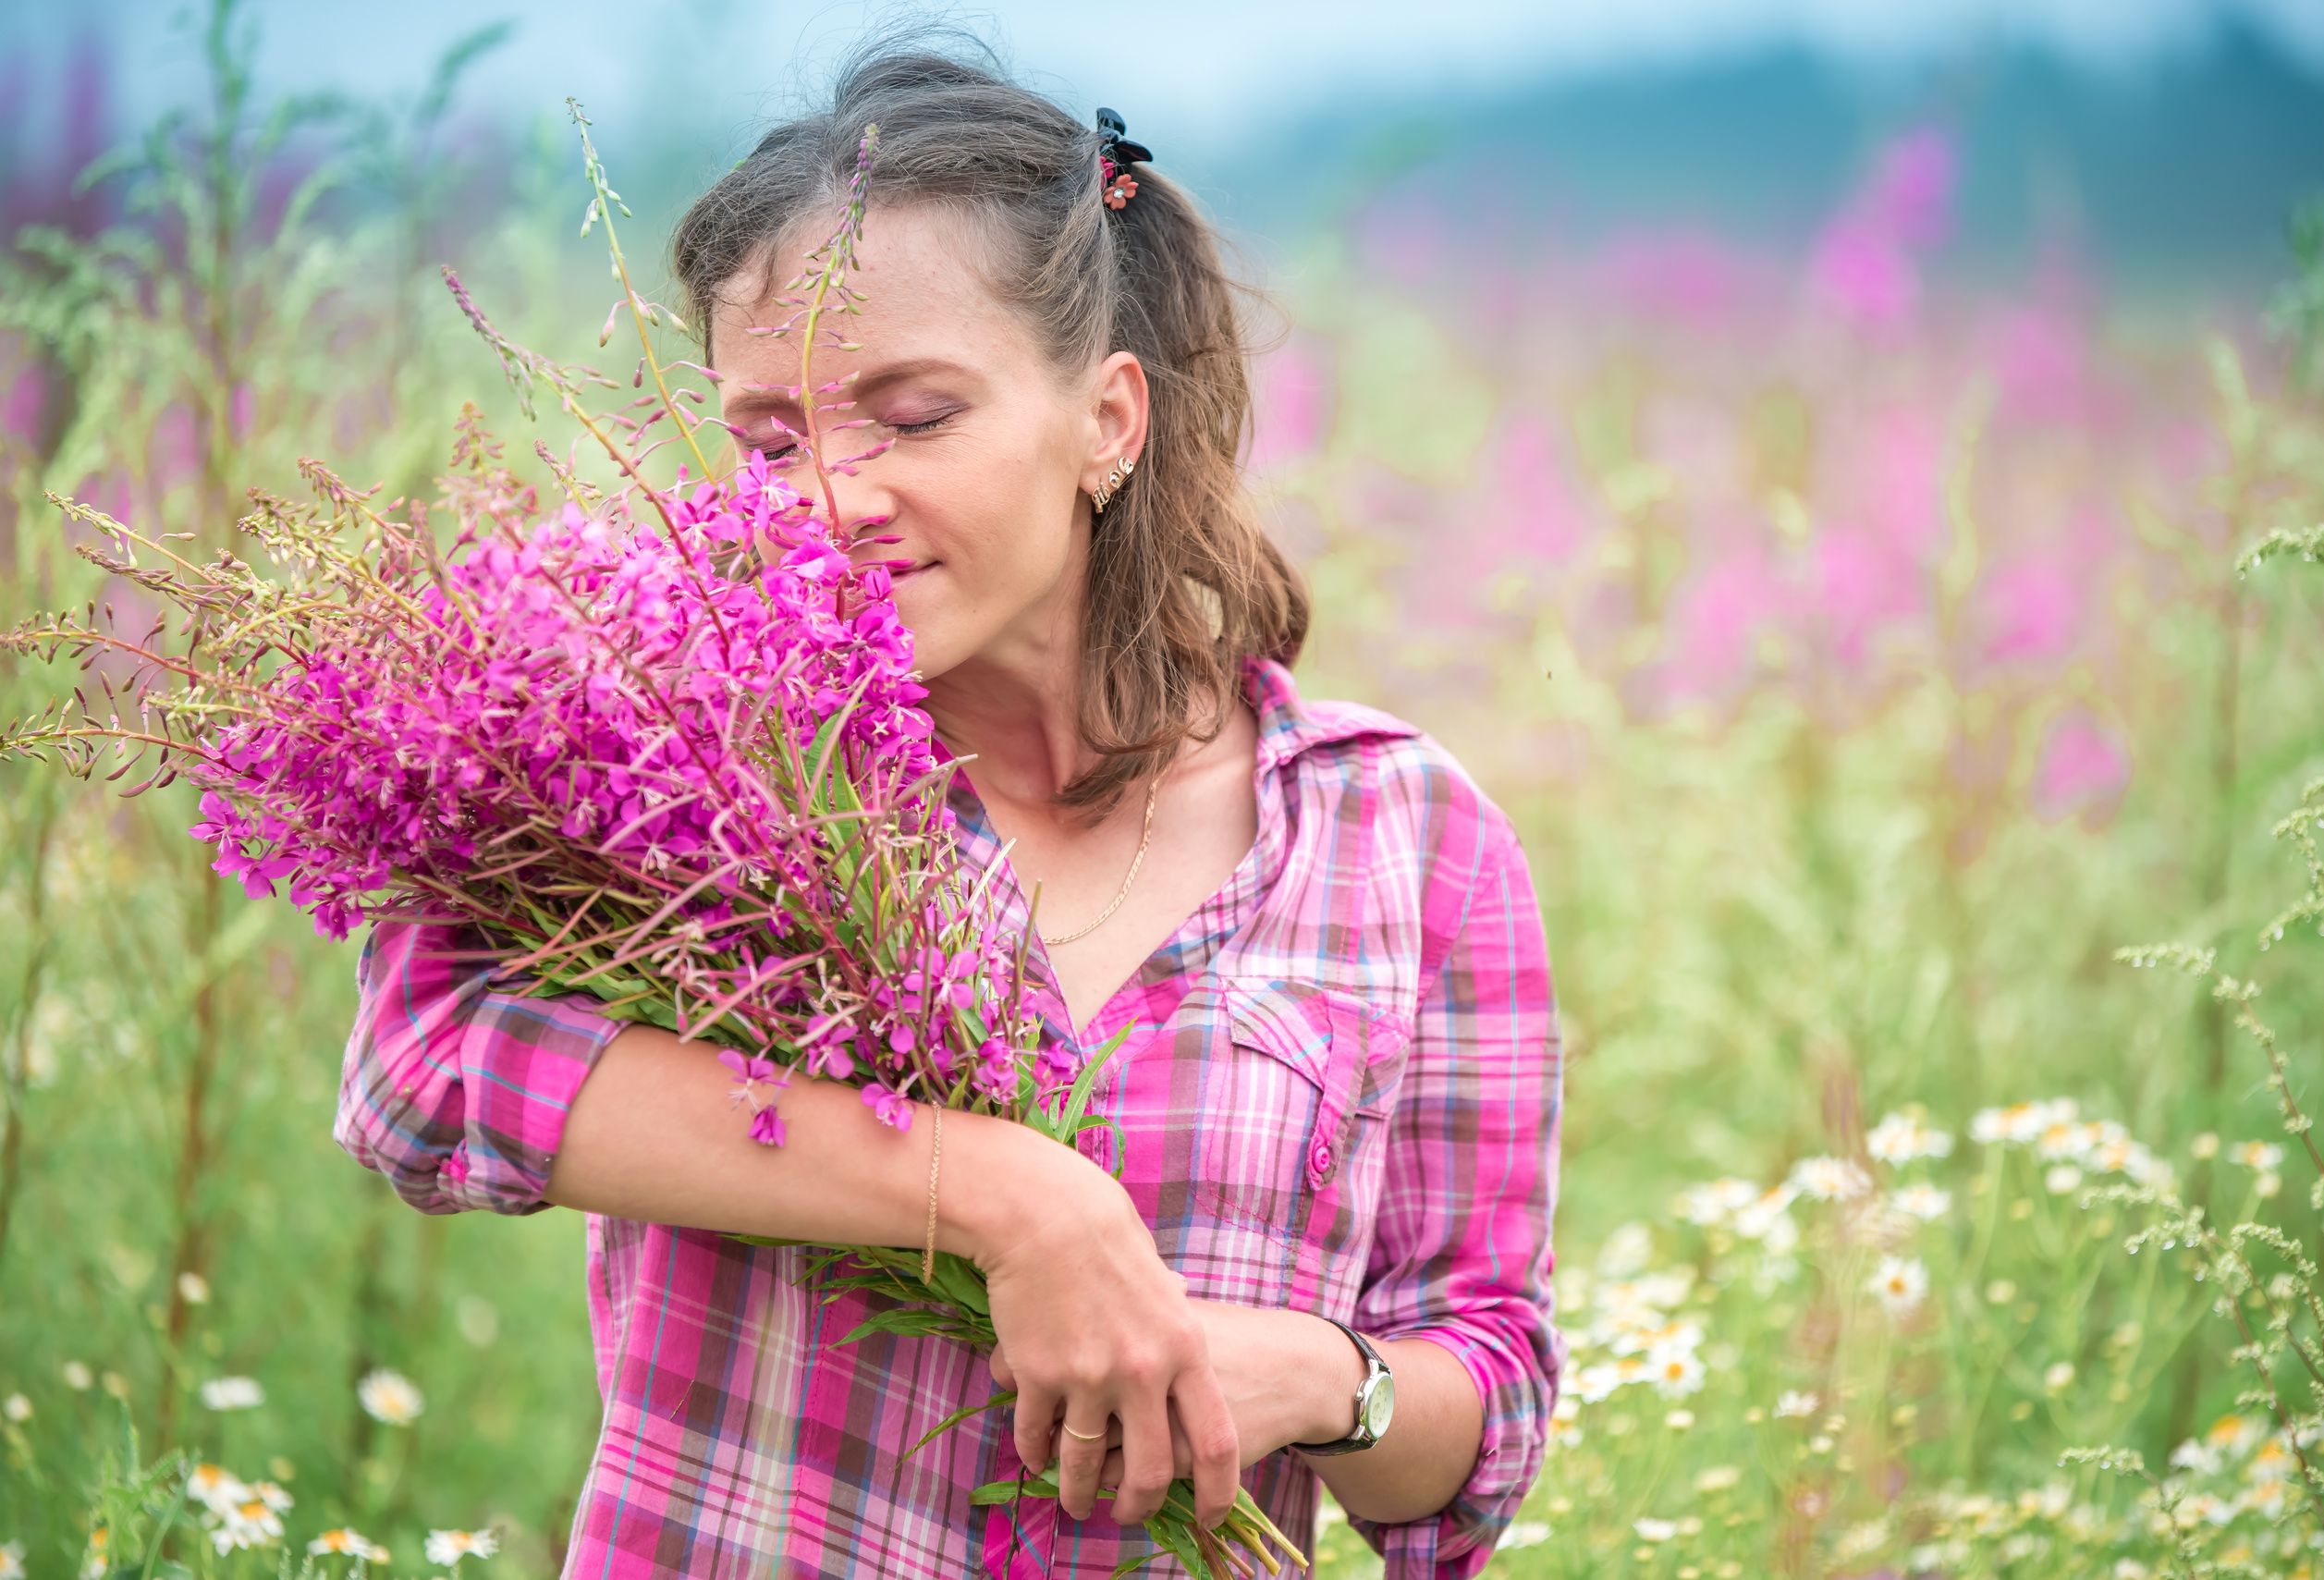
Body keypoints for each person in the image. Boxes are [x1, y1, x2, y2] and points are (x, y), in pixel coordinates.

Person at [336, 42, 1562, 1580]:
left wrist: (1326, 1376)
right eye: (768, 440)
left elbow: (1486, 1397)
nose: (826, 497)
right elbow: (427, 1064)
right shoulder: (692, 765)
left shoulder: (1405, 839)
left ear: (1108, 419)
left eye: (913, 417)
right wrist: (1002, 1196)